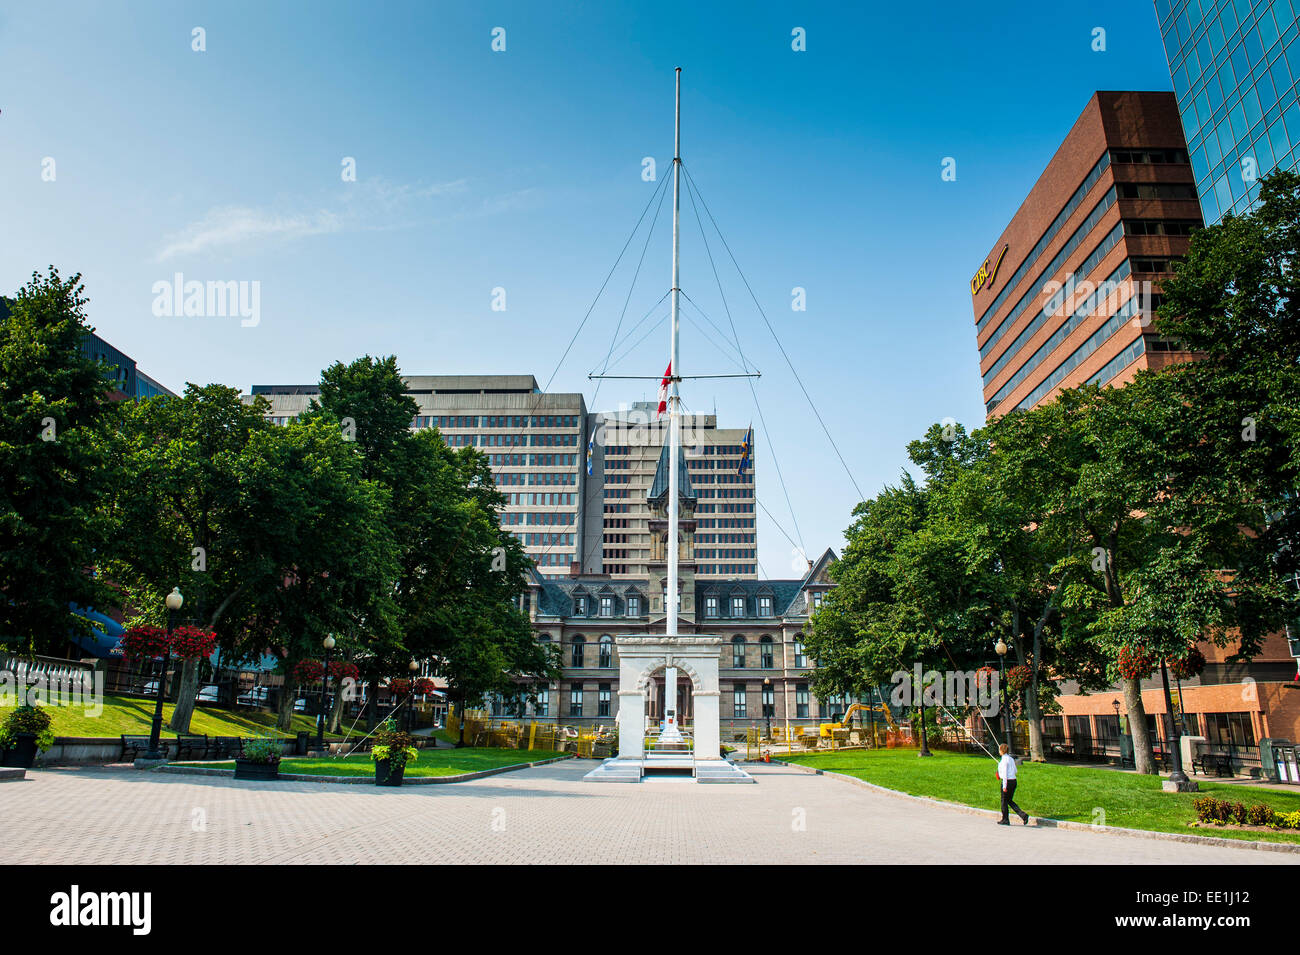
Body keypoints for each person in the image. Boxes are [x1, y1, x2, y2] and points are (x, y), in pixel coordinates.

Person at [996, 743, 1029, 825]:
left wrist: (1004, 786)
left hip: (1007, 782)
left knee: (1003, 801)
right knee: (1009, 800)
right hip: (1014, 781)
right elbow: (1015, 771)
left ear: (1001, 750)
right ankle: (1023, 815)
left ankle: (1005, 819)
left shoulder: (1003, 761)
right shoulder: (1010, 759)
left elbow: (1004, 774)